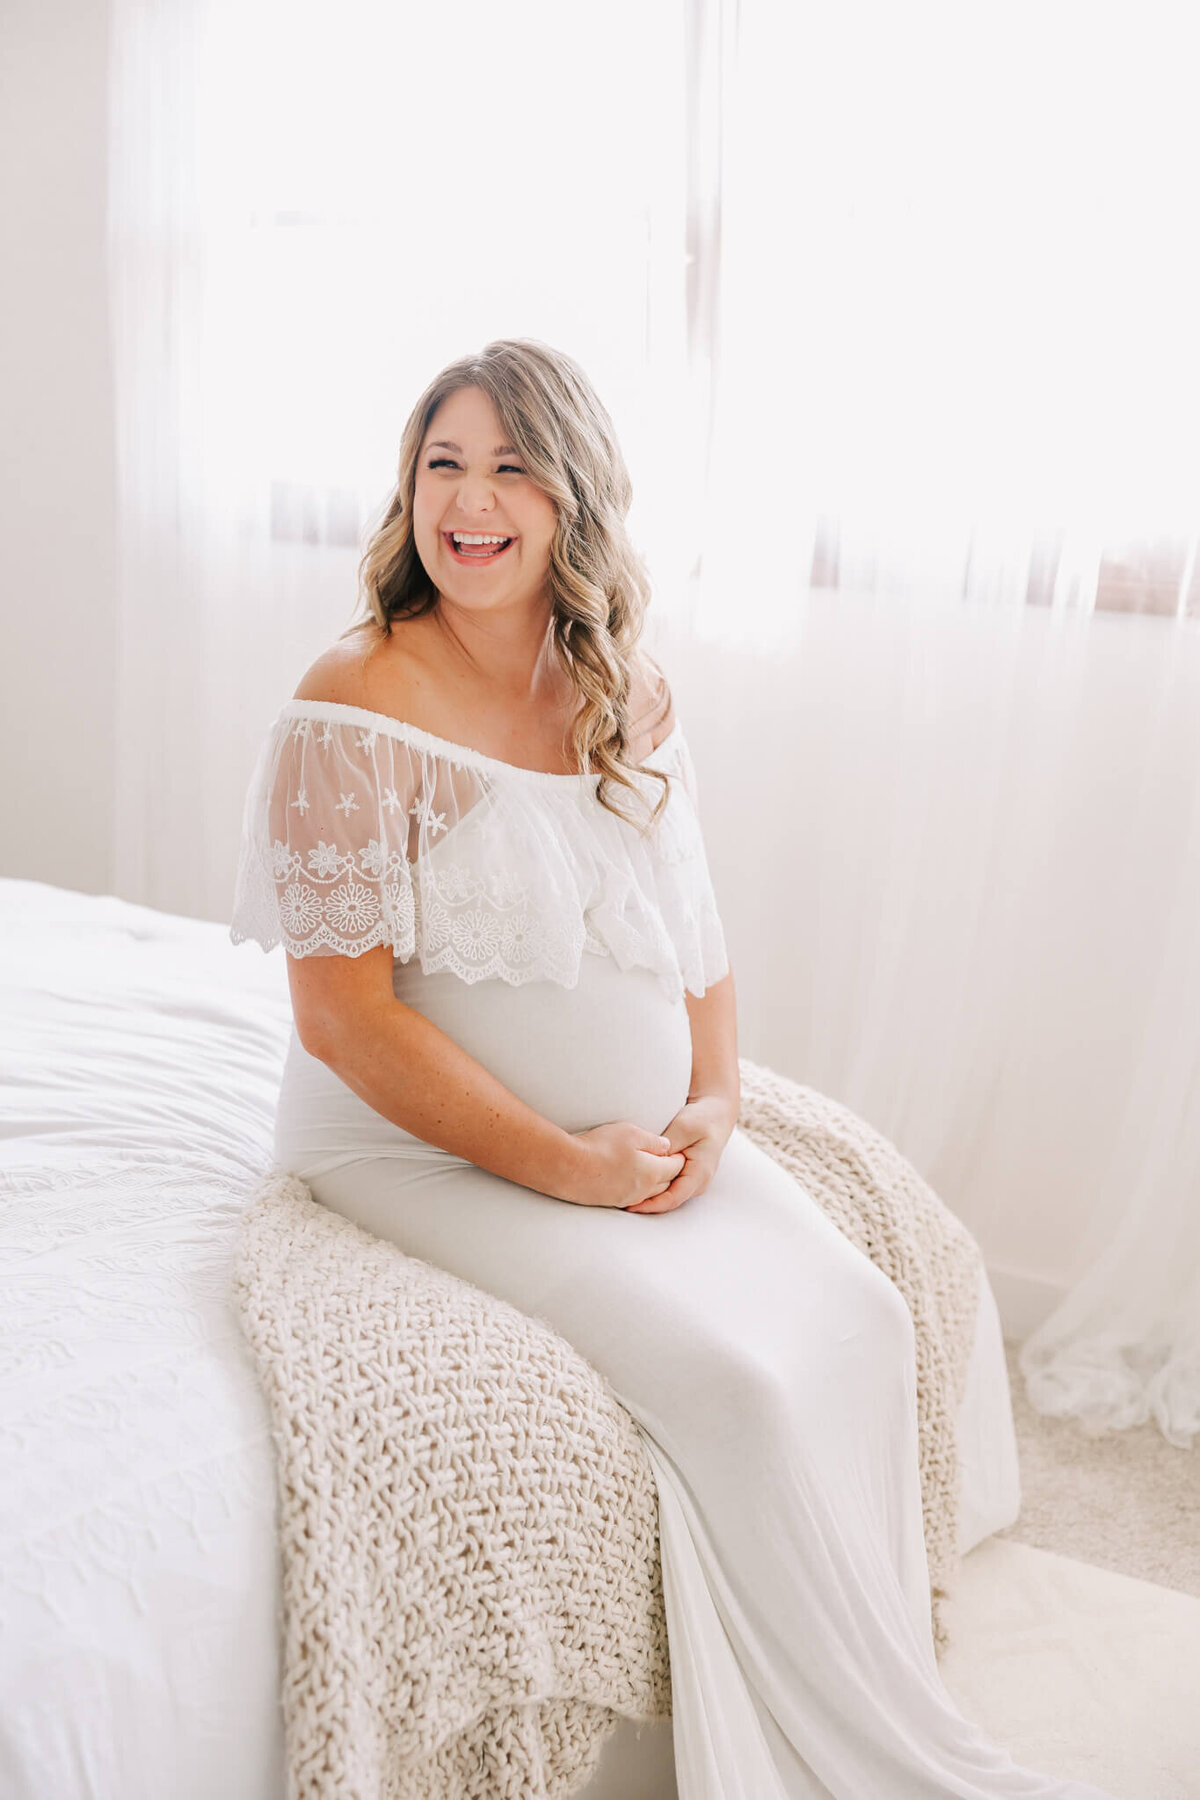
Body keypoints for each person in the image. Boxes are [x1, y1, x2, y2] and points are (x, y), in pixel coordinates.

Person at [230, 338, 1114, 1798]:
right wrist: (566, 1163)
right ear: (407, 494)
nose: (472, 501)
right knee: (736, 1390)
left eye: (511, 465)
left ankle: (865, 1688)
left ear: (574, 493)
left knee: (866, 1325)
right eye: (443, 464)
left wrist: (718, 1098)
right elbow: (343, 1020)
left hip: (634, 1137)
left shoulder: (623, 686)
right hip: (405, 1152)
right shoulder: (358, 700)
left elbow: (693, 931)